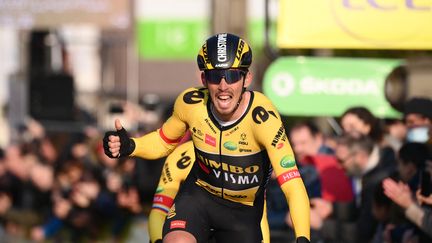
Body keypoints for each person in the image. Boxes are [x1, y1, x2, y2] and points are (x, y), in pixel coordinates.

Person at [103, 33, 310, 243]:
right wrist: (131, 145)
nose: (223, 86)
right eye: (214, 76)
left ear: (246, 78)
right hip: (199, 199)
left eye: (231, 76)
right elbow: (164, 141)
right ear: (203, 79)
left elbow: (292, 184)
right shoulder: (191, 104)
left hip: (242, 212)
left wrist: (303, 238)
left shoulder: (263, 118)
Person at [148, 140, 270, 243]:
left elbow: (259, 215)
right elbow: (159, 210)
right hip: (192, 219)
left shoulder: (246, 158)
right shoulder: (179, 156)